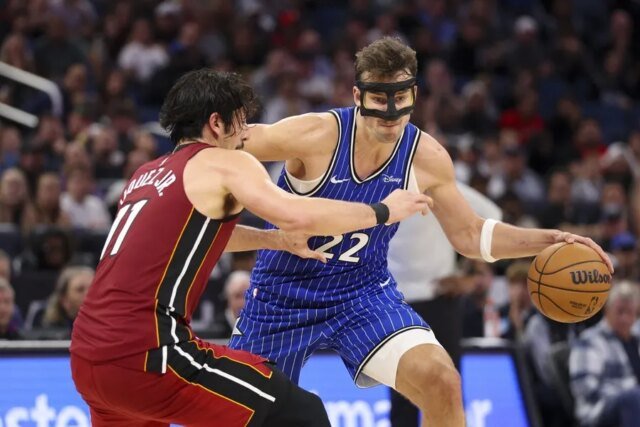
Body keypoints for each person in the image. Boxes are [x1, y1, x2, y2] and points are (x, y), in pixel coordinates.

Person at [229, 37, 613, 427]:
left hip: (361, 293)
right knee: (243, 416)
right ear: (358, 96)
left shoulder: (426, 156)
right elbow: (228, 144)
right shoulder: (316, 134)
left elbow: (470, 235)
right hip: (282, 297)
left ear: (414, 94)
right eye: (379, 98)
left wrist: (549, 240)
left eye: (400, 98)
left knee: (442, 380)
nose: (390, 112)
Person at [69, 69, 430, 427]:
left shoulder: (145, 175)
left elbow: (199, 237)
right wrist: (383, 211)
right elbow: (296, 214)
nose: (246, 135)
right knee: (302, 414)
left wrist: (272, 240)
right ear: (216, 123)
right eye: (241, 123)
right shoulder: (224, 162)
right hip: (148, 355)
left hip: (87, 357)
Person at [387, 181, 502, 426]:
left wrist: (470, 272)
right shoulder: (375, 184)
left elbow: (492, 215)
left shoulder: (437, 186)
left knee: (448, 390)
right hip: (394, 302)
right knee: (403, 397)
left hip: (439, 299)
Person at [569, 281, 640, 427]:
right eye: (620, 311)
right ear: (607, 310)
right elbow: (584, 387)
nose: (625, 318)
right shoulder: (589, 340)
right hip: (598, 411)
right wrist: (628, 393)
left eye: (630, 312)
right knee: (631, 398)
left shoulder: (637, 338)